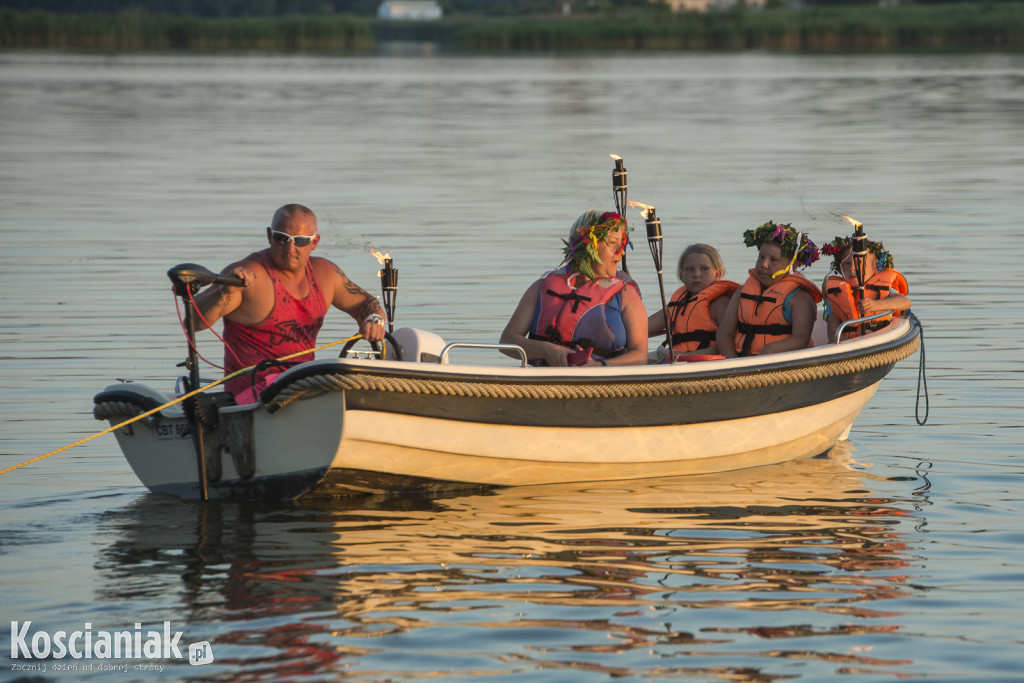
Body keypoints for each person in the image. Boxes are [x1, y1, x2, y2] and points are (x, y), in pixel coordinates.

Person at [192, 203, 387, 404]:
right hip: (250, 399)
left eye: (300, 241)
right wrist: (225, 291)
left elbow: (366, 303)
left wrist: (374, 319)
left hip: (301, 388)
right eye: (281, 238)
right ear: (269, 235)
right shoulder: (250, 276)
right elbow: (193, 322)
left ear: (315, 242)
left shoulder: (326, 274)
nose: (290, 248)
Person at [500, 209, 648, 367]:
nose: (622, 252)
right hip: (545, 381)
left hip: (605, 381)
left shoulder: (625, 293)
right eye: (612, 243)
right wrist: (546, 350)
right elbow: (507, 341)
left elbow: (640, 355)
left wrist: (600, 366)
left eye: (622, 243)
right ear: (587, 245)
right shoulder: (541, 287)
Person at [716, 220, 822, 358]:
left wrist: (769, 351)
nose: (764, 265)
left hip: (781, 363)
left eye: (773, 260)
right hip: (741, 364)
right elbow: (724, 333)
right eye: (761, 257)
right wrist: (733, 363)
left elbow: (801, 338)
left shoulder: (799, 298)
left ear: (793, 266)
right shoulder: (741, 292)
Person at [647, 243, 739, 360]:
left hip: (709, 363)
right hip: (677, 362)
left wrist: (687, 356)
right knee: (644, 358)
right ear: (681, 276)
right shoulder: (677, 305)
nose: (696, 274)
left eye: (704, 269)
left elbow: (730, 343)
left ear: (718, 274)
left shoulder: (720, 303)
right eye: (690, 269)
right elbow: (643, 327)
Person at [821, 236, 911, 342]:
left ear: (875, 266)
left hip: (881, 339)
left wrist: (875, 305)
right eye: (847, 263)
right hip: (850, 347)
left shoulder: (882, 287)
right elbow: (833, 335)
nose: (852, 268)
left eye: (859, 262)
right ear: (840, 268)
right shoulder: (835, 294)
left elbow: (905, 302)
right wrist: (856, 343)